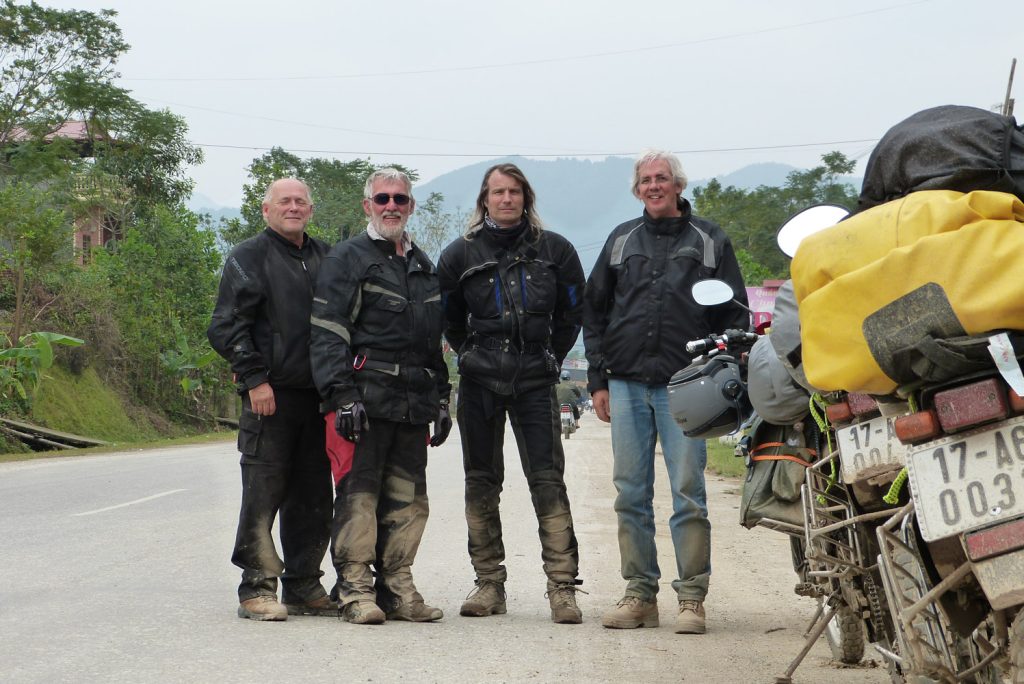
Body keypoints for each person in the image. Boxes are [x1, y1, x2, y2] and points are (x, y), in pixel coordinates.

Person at [582, 150, 749, 634]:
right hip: (627, 382)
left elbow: (734, 317)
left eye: (662, 178)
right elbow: (593, 312)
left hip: (689, 387)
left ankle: (692, 598)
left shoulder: (710, 240)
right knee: (630, 493)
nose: (654, 186)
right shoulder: (620, 240)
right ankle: (639, 594)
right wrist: (597, 379)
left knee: (688, 493)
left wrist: (722, 377)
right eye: (645, 180)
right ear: (637, 190)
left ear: (677, 185)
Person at [438, 163, 586, 624]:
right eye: (497, 192)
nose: (506, 199)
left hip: (536, 378)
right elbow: (447, 319)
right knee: (481, 481)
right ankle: (488, 583)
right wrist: (474, 354)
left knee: (547, 480)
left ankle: (562, 587)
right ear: (484, 200)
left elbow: (572, 314)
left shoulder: (555, 251)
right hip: (480, 380)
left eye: (514, 191)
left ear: (526, 197)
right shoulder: (459, 255)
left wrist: (547, 356)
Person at [310, 168, 452, 625]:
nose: (392, 206)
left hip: (413, 402)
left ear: (410, 206)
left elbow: (433, 343)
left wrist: (444, 399)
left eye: (400, 199)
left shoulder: (424, 266)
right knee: (359, 496)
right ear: (367, 205)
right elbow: (328, 332)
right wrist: (341, 396)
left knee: (410, 502)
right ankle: (355, 590)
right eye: (383, 198)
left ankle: (398, 587)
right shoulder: (347, 259)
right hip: (363, 401)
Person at [207, 177, 335, 621]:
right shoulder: (249, 256)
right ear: (267, 210)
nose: (294, 207)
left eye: (301, 201)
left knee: (314, 497)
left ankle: (304, 585)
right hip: (270, 397)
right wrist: (255, 379)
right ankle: (256, 587)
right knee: (263, 493)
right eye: (285, 201)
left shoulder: (326, 258)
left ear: (311, 210)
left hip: (318, 399)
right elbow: (226, 324)